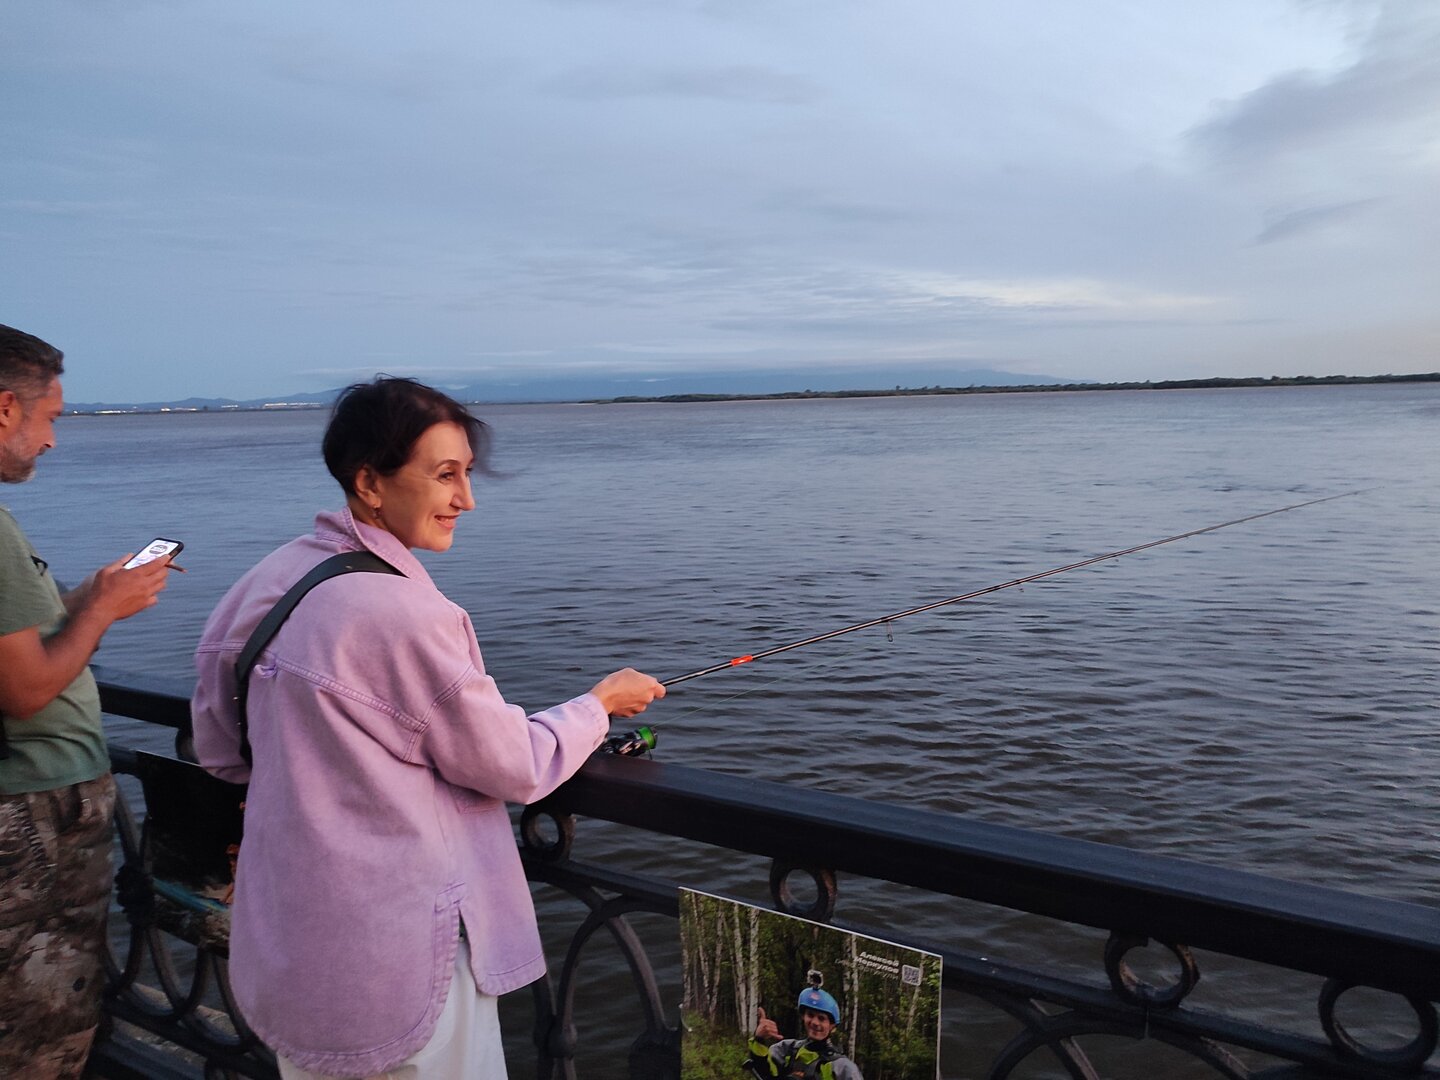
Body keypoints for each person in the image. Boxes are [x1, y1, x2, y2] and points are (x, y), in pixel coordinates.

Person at [191, 376, 665, 1079]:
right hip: (403, 955)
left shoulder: (269, 579)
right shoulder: (404, 615)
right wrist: (599, 705)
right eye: (445, 475)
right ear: (369, 482)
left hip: (297, 936)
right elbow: (515, 765)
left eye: (467, 474)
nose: (466, 499)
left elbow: (221, 752)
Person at [0, 324, 173, 1077]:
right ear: (5, 408)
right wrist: (100, 612)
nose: (51, 440)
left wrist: (79, 603)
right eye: (51, 417)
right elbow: (25, 691)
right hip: (32, 812)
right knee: (38, 1032)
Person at [746, 980, 863, 1080]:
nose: (815, 1022)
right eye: (810, 1015)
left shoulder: (843, 1067)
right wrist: (759, 1039)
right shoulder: (786, 1050)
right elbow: (764, 1073)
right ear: (803, 1017)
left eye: (821, 1018)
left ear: (832, 1026)